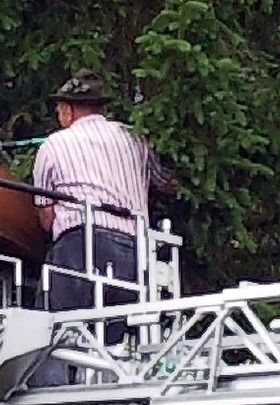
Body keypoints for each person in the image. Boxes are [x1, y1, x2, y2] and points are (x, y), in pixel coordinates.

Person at [30, 68, 174, 386]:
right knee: (115, 337)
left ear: (68, 110)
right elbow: (166, 182)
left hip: (81, 246)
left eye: (59, 110)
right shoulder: (134, 137)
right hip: (135, 252)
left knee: (53, 327)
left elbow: (46, 217)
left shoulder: (54, 145)